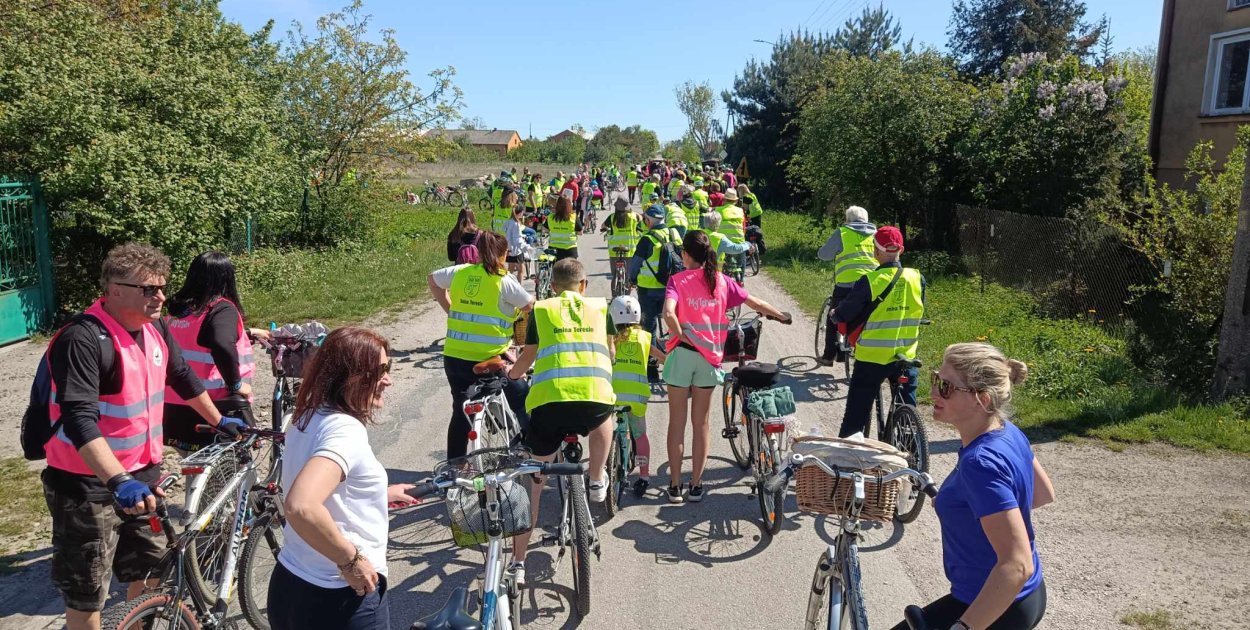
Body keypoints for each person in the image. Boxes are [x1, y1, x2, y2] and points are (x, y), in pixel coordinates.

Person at [42, 243, 243, 630]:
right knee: (87, 594)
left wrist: (219, 420)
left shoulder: (156, 327)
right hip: (88, 485)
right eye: (149, 289)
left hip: (144, 476)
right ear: (114, 290)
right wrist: (117, 479)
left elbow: (181, 376)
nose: (161, 297)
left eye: (162, 288)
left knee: (151, 573)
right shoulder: (82, 339)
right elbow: (79, 419)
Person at [888, 343, 1053, 630]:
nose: (934, 393)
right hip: (1028, 596)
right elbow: (1041, 493)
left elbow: (1016, 565)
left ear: (983, 399)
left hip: (994, 608)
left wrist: (963, 627)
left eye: (947, 387)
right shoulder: (1007, 431)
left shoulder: (980, 463)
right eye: (936, 379)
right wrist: (970, 510)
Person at [270, 327, 419, 630]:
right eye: (380, 371)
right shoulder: (345, 430)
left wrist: (377, 493)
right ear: (351, 376)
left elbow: (323, 488)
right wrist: (351, 561)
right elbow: (301, 505)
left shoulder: (308, 414)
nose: (388, 379)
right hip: (337, 599)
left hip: (290, 585)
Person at [505, 259, 615, 584]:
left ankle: (518, 564)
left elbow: (528, 357)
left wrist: (512, 375)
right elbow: (608, 351)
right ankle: (596, 478)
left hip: (550, 404)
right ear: (584, 285)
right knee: (605, 415)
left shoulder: (542, 310)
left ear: (552, 286)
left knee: (533, 486)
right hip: (592, 399)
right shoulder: (599, 307)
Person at [661, 231, 789, 503]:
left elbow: (668, 314)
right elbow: (754, 302)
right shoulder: (722, 281)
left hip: (682, 356)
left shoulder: (677, 280)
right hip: (708, 360)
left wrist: (681, 335)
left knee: (677, 423)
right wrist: (780, 315)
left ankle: (675, 486)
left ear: (685, 254)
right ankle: (696, 485)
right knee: (702, 423)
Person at [427, 232, 533, 459]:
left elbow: (432, 279)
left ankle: (456, 465)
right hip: (491, 357)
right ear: (504, 254)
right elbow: (530, 306)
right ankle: (533, 446)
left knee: (461, 409)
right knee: (521, 395)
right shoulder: (504, 281)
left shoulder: (461, 271)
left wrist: (450, 308)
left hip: (454, 357)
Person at [164, 251, 271, 452]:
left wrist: (247, 333)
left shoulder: (178, 311)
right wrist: (236, 384)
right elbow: (221, 343)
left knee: (196, 465)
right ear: (227, 278)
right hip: (213, 405)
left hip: (174, 404)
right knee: (233, 469)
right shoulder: (221, 309)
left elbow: (196, 339)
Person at [832, 226, 926, 438]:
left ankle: (848, 457)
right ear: (901, 250)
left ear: (876, 251)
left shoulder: (870, 281)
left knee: (856, 414)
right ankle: (909, 451)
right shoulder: (917, 278)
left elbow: (847, 311)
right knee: (906, 409)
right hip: (905, 355)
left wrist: (836, 315)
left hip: (872, 358)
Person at [608, 295, 664, 495]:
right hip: (637, 397)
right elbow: (663, 359)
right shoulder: (644, 338)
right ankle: (644, 476)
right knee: (640, 435)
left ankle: (603, 468)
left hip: (611, 395)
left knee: (606, 430)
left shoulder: (609, 338)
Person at [815, 206, 878, 366]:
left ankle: (829, 356)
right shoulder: (876, 234)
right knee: (868, 318)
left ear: (848, 219)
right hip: (873, 284)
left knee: (833, 318)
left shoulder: (843, 232)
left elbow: (824, 255)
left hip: (846, 285)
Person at [628, 205, 678, 354]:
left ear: (648, 220)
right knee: (674, 322)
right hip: (671, 288)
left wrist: (632, 279)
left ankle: (652, 363)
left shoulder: (647, 239)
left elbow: (636, 264)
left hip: (648, 289)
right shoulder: (674, 233)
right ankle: (675, 355)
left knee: (648, 327)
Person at [503, 204, 534, 281]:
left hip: (509, 248)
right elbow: (517, 240)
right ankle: (519, 286)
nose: (523, 214)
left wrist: (521, 235)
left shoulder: (508, 221)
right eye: (522, 212)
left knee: (510, 269)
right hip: (517, 250)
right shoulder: (516, 224)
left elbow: (508, 233)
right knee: (521, 270)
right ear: (519, 213)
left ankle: (507, 284)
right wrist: (527, 247)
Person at [547, 195, 579, 261]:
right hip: (570, 249)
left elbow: (545, 229)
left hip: (554, 249)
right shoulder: (573, 217)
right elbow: (580, 232)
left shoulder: (550, 217)